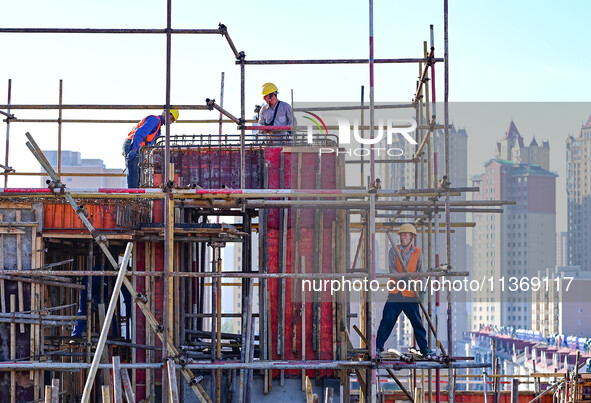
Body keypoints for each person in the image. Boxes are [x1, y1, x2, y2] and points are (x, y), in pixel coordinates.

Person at [376, 223, 434, 357]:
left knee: (417, 322)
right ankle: (378, 347)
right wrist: (403, 280)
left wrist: (422, 291)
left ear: (412, 237)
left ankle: (424, 348)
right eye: (401, 234)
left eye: (405, 234)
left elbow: (422, 273)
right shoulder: (393, 250)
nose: (402, 237)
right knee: (387, 320)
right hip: (396, 293)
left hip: (411, 295)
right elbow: (393, 270)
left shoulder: (418, 253)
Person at [123, 109, 179, 188]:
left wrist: (146, 155)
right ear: (166, 114)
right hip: (133, 145)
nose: (171, 122)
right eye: (172, 118)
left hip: (138, 148)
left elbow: (150, 143)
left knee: (138, 177)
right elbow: (139, 133)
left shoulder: (158, 127)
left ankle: (136, 197)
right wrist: (134, 149)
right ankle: (133, 198)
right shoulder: (155, 120)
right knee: (134, 176)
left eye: (173, 120)